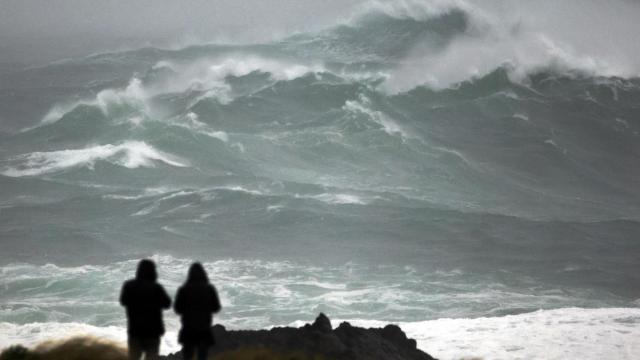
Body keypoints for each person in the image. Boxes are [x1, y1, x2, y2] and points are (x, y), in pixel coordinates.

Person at [120, 259, 172, 360]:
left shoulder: (129, 286)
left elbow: (123, 301)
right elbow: (167, 304)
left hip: (135, 330)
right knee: (152, 357)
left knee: (134, 357)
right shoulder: (156, 287)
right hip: (153, 331)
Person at [174, 262, 222, 360]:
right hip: (203, 328)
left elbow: (178, 309)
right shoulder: (209, 289)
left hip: (188, 328)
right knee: (202, 356)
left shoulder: (184, 289)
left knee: (187, 356)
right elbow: (216, 307)